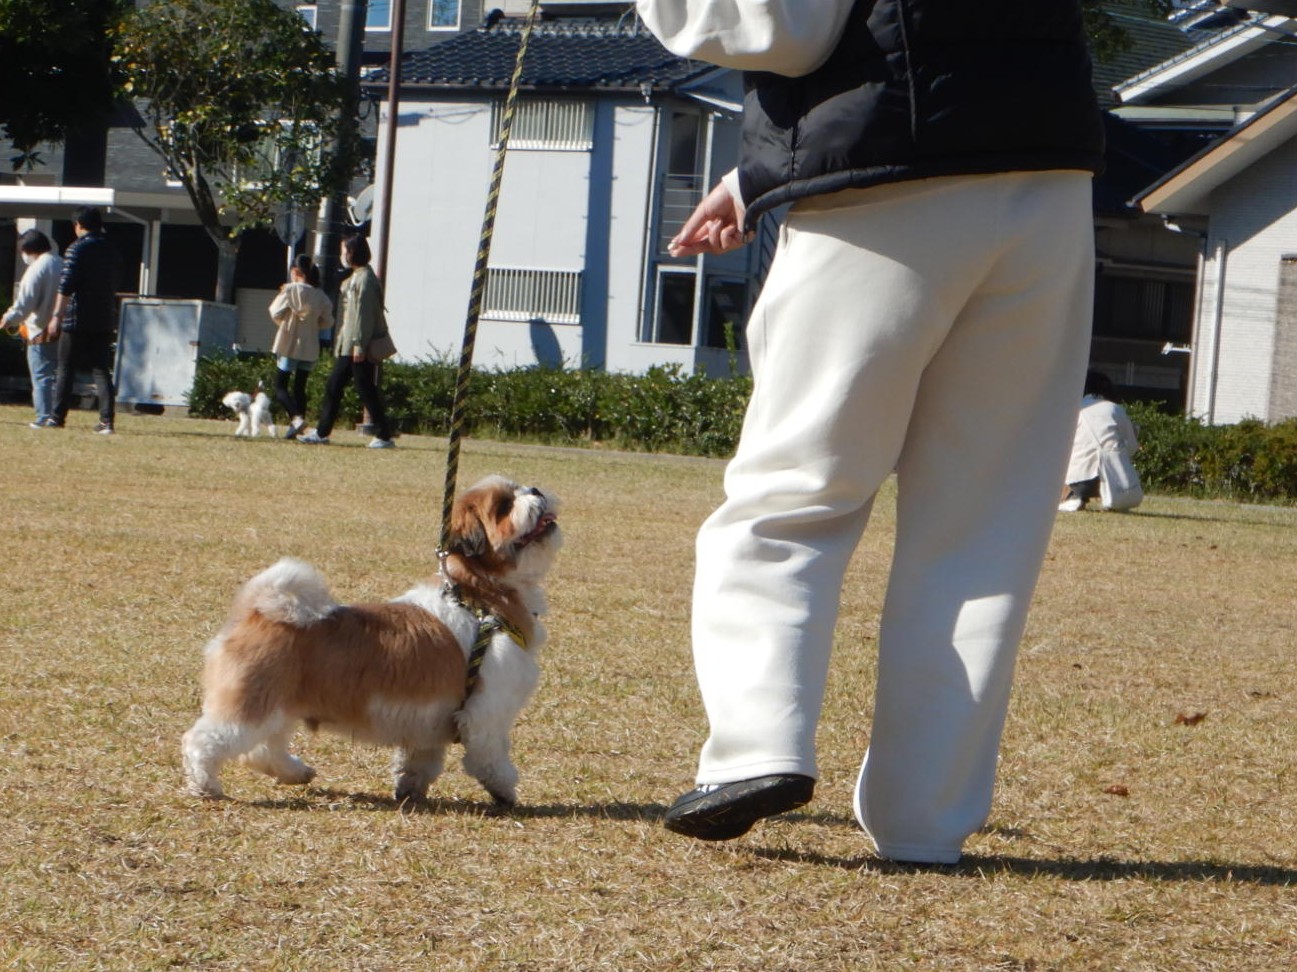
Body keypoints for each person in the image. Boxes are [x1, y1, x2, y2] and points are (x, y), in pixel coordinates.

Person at [637, 0, 1104, 863]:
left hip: (883, 184)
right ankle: (925, 820)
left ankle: (756, 747)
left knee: (792, 497)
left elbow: (772, 26)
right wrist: (755, 178)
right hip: (1047, 176)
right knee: (982, 529)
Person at [298, 234, 397, 449]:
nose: (343, 256)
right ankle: (323, 432)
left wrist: (358, 344)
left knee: (362, 389)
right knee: (339, 386)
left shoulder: (365, 280)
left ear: (353, 253)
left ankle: (383, 435)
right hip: (350, 344)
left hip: (356, 345)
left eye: (345, 251)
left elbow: (363, 316)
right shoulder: (357, 277)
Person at [48, 206, 121, 434]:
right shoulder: (111, 249)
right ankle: (107, 421)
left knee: (65, 368)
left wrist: (56, 316)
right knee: (101, 369)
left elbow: (66, 285)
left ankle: (56, 417)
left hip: (77, 317)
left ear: (78, 225)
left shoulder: (77, 248)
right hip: (103, 317)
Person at [268, 253, 334, 439]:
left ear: (295, 271)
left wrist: (284, 321)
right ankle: (296, 427)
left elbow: (274, 311)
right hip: (310, 344)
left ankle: (296, 419)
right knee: (300, 387)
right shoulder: (320, 295)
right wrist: (313, 324)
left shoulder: (289, 290)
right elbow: (328, 321)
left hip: (289, 341)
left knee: (280, 385)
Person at [3, 229, 63, 428]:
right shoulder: (60, 263)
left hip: (40, 329)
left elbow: (25, 302)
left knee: (41, 375)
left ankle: (44, 416)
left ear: (28, 250)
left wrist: (9, 318)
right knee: (57, 374)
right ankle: (56, 415)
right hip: (63, 327)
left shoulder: (37, 268)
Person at [1060, 370, 1143, 513]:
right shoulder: (1115, 409)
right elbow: (1132, 447)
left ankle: (1075, 496)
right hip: (1113, 478)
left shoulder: (1073, 409)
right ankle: (1107, 498)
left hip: (1077, 477)